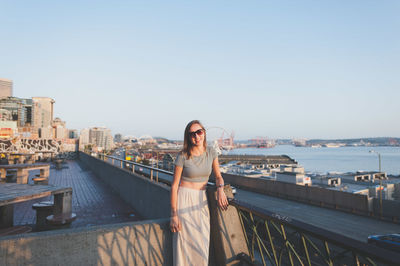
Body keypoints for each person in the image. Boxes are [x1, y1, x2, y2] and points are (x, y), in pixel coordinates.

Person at [170, 120, 228, 266]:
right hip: (184, 199)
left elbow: (218, 176)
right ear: (188, 137)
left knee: (202, 242)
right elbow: (174, 185)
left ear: (204, 133)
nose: (196, 136)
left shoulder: (211, 152)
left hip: (201, 200)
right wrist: (174, 215)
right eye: (192, 134)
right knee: (184, 245)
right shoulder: (183, 155)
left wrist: (220, 189)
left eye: (199, 132)